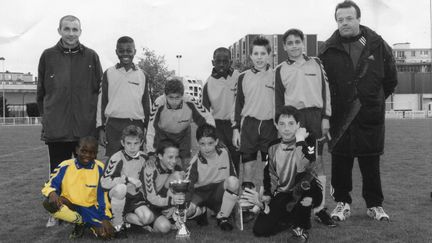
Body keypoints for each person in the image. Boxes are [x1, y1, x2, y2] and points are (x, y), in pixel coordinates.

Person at [319, 0, 397, 222]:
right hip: (340, 118)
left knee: (370, 163)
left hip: (369, 116)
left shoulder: (377, 44)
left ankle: (374, 205)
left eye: (349, 18)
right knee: (341, 163)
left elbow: (391, 79)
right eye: (340, 19)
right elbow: (323, 85)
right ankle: (342, 204)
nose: (344, 23)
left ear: (359, 19)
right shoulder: (327, 48)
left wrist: (374, 100)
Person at [36, 15, 103, 227]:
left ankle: (88, 211)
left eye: (75, 29)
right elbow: (41, 93)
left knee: (86, 173)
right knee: (57, 172)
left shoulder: (91, 56)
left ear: (80, 32)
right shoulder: (47, 56)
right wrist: (47, 119)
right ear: (59, 31)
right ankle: (56, 213)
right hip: (57, 127)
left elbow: (99, 91)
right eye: (67, 29)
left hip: (85, 128)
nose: (71, 33)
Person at [274, 28, 335, 227]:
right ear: (284, 47)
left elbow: (325, 91)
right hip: (293, 120)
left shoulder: (316, 63)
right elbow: (278, 101)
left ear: (303, 43)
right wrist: (280, 125)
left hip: (315, 117)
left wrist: (326, 117)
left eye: (297, 42)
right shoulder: (280, 69)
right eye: (289, 43)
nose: (294, 46)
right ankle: (294, 208)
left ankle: (320, 208)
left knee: (317, 162)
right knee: (294, 164)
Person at [243, 106, 322, 242]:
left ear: (298, 125)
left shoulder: (308, 142)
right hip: (284, 194)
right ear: (276, 126)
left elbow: (303, 167)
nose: (286, 128)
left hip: (307, 190)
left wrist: (300, 140)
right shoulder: (272, 147)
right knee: (260, 231)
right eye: (282, 124)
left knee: (304, 183)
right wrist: (267, 195)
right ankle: (289, 219)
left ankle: (300, 227)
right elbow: (269, 174)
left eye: (291, 124)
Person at [42, 137, 114, 239]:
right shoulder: (65, 165)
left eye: (92, 152)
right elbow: (49, 184)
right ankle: (80, 222)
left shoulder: (100, 168)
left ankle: (88, 223)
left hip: (91, 208)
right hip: (70, 204)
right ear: (76, 150)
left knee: (106, 235)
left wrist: (105, 217)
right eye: (83, 151)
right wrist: (52, 193)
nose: (87, 155)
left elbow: (103, 197)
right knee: (49, 203)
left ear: (96, 153)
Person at [233, 36, 277, 193]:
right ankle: (247, 199)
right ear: (250, 55)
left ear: (269, 55)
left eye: (263, 53)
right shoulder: (243, 77)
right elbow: (238, 105)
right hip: (249, 125)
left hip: (270, 126)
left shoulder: (276, 76)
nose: (259, 57)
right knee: (248, 164)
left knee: (269, 165)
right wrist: (236, 129)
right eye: (256, 53)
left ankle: (267, 198)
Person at [97, 36, 150, 157]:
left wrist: (148, 129)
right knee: (114, 162)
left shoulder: (142, 75)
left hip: (136, 125)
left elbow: (146, 104)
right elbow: (102, 102)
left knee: (136, 162)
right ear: (116, 52)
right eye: (121, 51)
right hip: (114, 126)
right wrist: (101, 128)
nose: (125, 54)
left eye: (129, 51)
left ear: (134, 52)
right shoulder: (108, 73)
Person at [146, 78, 215, 168]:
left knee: (187, 163)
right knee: (163, 164)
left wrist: (212, 137)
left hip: (183, 134)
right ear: (165, 95)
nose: (174, 101)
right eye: (171, 97)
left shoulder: (190, 101)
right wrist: (151, 152)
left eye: (177, 98)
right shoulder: (159, 103)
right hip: (163, 135)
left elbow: (207, 118)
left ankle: (186, 181)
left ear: (183, 95)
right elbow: (151, 128)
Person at [185, 124, 239, 231]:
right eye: (202, 144)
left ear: (216, 141)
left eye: (210, 143)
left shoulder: (224, 152)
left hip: (217, 194)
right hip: (200, 194)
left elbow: (233, 174)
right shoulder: (195, 162)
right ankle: (200, 212)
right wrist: (186, 205)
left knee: (233, 181)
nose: (206, 148)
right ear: (197, 143)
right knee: (187, 212)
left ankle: (222, 217)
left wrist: (235, 199)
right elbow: (189, 186)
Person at [100, 125, 149, 238]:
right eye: (128, 143)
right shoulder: (116, 158)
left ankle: (126, 218)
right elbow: (104, 182)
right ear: (122, 143)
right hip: (116, 195)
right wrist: (126, 179)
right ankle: (118, 224)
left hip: (135, 198)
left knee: (147, 219)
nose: (132, 147)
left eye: (136, 143)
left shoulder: (144, 158)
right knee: (121, 188)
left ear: (141, 143)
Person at [202, 47, 241, 173]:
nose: (222, 64)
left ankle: (233, 191)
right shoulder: (208, 83)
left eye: (225, 61)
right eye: (218, 61)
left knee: (235, 160)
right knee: (220, 161)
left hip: (235, 125)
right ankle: (220, 191)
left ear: (231, 62)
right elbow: (205, 111)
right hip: (217, 126)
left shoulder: (238, 77)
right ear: (213, 63)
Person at [143, 139, 185, 234]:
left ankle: (174, 215)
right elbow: (151, 199)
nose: (174, 161)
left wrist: (174, 206)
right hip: (149, 205)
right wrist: (170, 202)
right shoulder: (150, 169)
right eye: (170, 157)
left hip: (163, 202)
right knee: (165, 227)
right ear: (160, 156)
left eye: (176, 157)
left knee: (178, 175)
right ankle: (145, 223)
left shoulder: (175, 167)